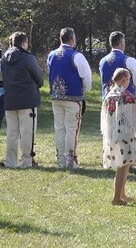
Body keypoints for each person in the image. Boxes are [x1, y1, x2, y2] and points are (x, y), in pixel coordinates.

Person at [47, 27, 93, 169]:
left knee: (59, 128)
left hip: (56, 96)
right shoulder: (76, 56)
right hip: (73, 97)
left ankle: (61, 160)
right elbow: (87, 78)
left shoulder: (51, 55)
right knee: (71, 129)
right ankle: (70, 160)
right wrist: (83, 89)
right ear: (72, 39)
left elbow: (50, 72)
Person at [0, 32, 44, 168]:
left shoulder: (4, 59)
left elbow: (0, 76)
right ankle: (26, 161)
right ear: (24, 43)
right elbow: (39, 78)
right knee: (27, 133)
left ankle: (11, 161)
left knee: (12, 133)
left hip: (10, 100)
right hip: (27, 100)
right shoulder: (28, 58)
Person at [101, 68, 136, 205]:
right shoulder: (125, 95)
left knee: (125, 163)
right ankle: (117, 196)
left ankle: (122, 194)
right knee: (123, 165)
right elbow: (133, 115)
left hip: (113, 133)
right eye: (128, 79)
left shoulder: (109, 94)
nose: (129, 82)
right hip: (124, 133)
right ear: (123, 79)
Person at [99, 31, 136, 101]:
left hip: (107, 102)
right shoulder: (129, 60)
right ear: (121, 42)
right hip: (125, 102)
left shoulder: (102, 61)